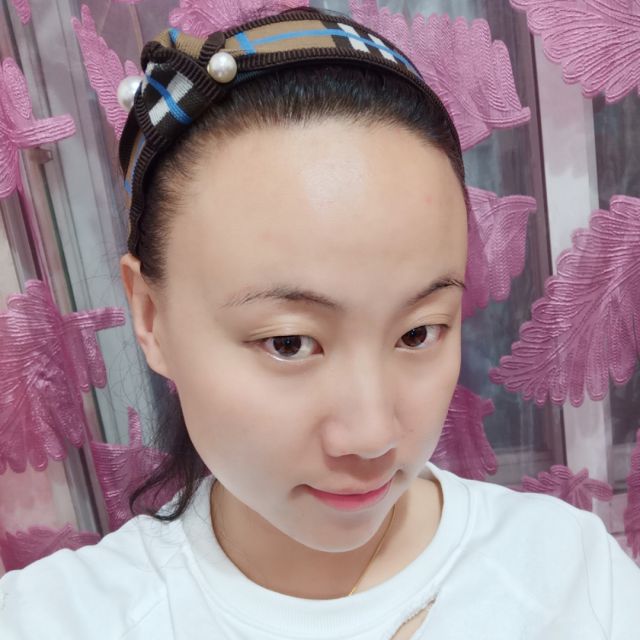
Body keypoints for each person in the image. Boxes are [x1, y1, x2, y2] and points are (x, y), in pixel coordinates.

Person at [1, 6, 639, 639]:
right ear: (150, 316)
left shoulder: (571, 575)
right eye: (289, 342)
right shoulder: (53, 618)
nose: (371, 437)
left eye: (418, 333)